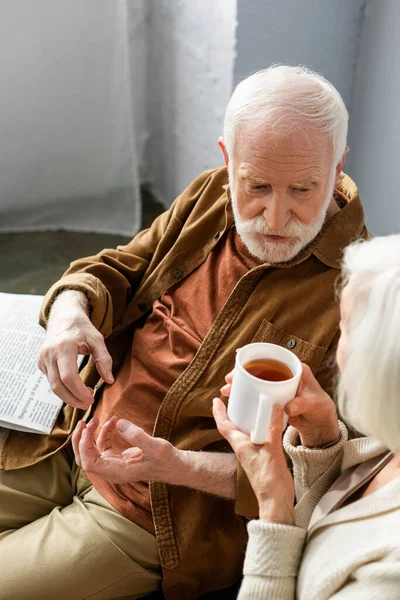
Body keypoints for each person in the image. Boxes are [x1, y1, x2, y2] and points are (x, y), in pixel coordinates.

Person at [0, 66, 368, 600]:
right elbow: (122, 267)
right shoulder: (210, 195)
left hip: (153, 510)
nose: (275, 216)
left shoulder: (364, 289)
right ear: (227, 159)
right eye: (257, 186)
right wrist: (69, 308)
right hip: (70, 433)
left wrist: (172, 465)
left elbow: (325, 475)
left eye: (303, 189)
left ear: (337, 167)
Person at [213, 234, 400, 600]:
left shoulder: (387, 576)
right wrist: (322, 442)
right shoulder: (390, 441)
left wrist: (273, 510)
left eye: (343, 325)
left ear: (378, 365)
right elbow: (337, 514)